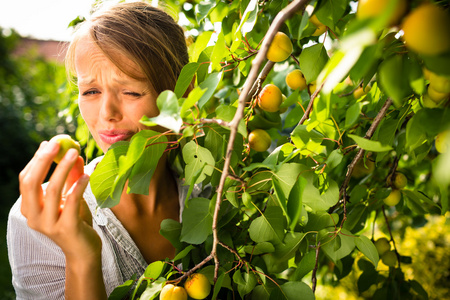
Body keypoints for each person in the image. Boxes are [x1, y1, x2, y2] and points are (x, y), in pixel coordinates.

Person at [7, 1, 194, 298]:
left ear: (182, 91)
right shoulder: (35, 221)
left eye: (131, 91)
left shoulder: (213, 191)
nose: (106, 113)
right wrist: (81, 256)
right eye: (90, 91)